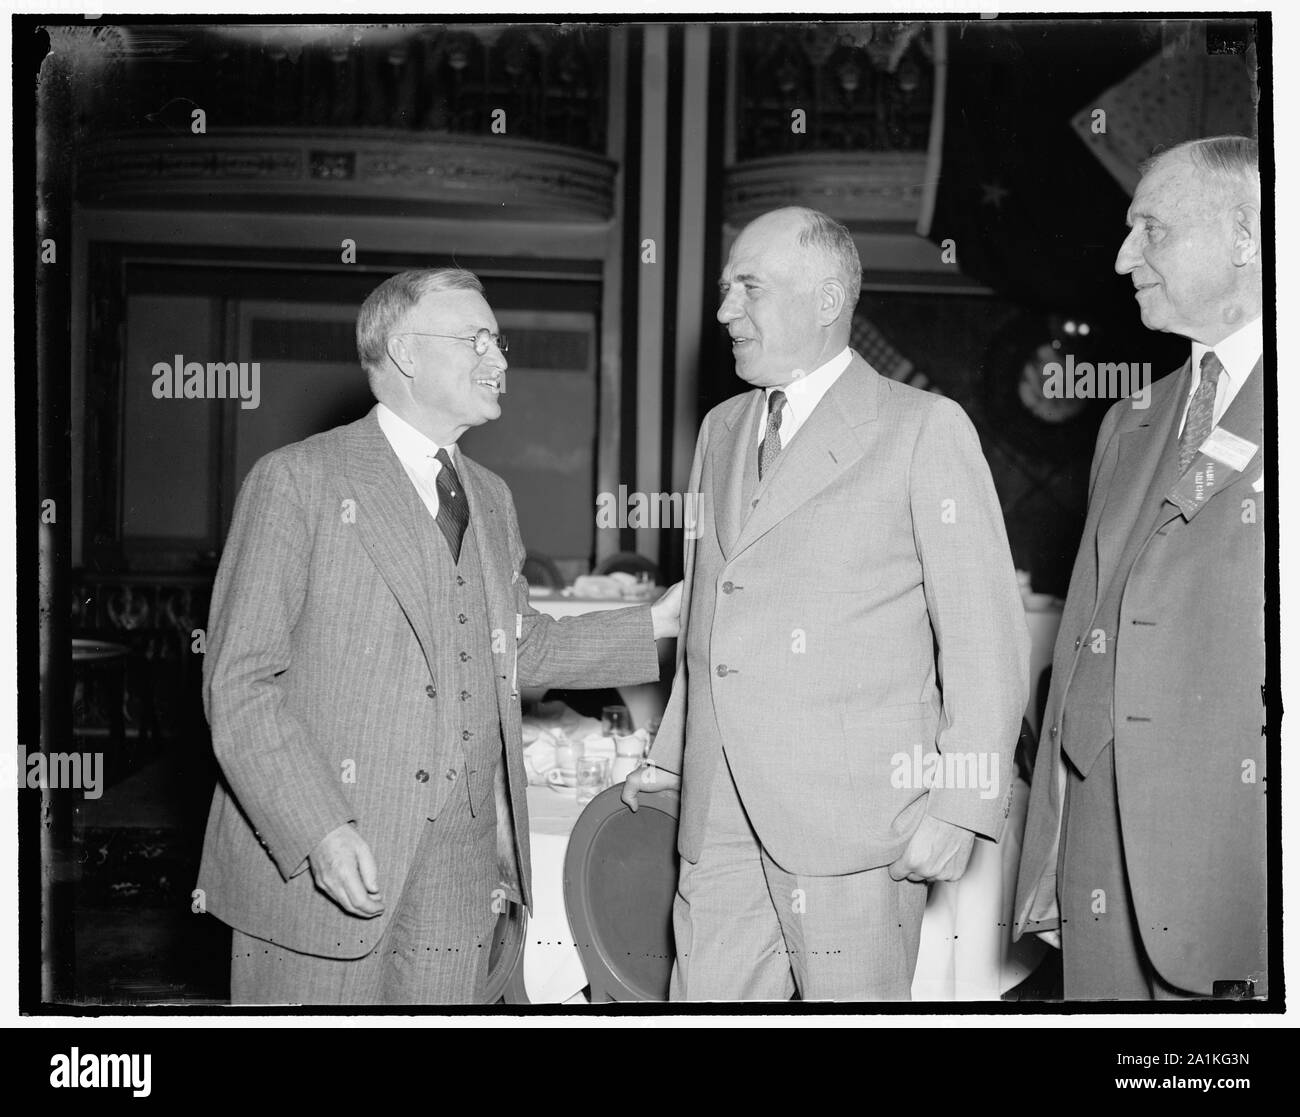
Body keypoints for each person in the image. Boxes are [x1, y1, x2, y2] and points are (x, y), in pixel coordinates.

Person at [197, 268, 680, 1004]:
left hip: (463, 873)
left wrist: (661, 621)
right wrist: (318, 828)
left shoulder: (490, 495)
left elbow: (521, 648)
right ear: (407, 353)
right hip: (331, 861)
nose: (501, 360)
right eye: (477, 339)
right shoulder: (298, 481)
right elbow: (238, 684)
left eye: (500, 340)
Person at [624, 207, 1029, 1000]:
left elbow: (986, 637)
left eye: (748, 288)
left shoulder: (924, 429)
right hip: (722, 817)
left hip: (858, 828)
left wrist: (963, 806)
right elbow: (714, 609)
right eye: (724, 289)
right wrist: (673, 752)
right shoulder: (722, 428)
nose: (722, 312)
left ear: (827, 298)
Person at [1013, 136, 1266, 999]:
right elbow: (1086, 642)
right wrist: (1047, 855)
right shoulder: (1131, 418)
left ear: (1245, 234)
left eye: (1150, 230)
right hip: (1101, 860)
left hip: (1242, 863)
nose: (1123, 258)